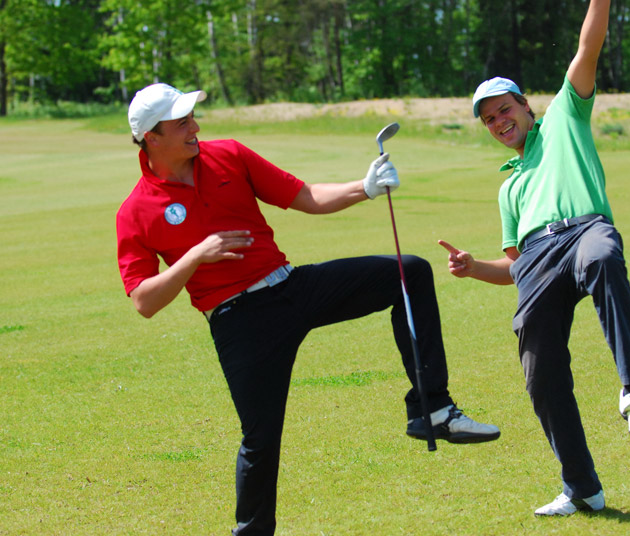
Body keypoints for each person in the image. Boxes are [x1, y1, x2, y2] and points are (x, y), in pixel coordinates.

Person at [116, 82, 500, 535]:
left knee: (409, 273)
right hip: (239, 322)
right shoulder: (135, 211)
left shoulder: (228, 154)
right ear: (152, 138)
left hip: (291, 287)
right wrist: (196, 256)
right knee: (261, 440)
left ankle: (431, 409)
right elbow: (144, 301)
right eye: (182, 123)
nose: (195, 127)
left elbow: (305, 196)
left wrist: (366, 187)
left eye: (192, 118)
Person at [438, 0, 630, 516]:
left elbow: (588, 46)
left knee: (603, 256)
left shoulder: (565, 113)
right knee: (540, 371)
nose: (499, 122)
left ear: (526, 106)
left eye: (504, 110)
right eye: (489, 119)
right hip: (538, 257)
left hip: (584, 230)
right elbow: (516, 269)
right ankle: (582, 487)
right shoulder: (508, 189)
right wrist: (474, 268)